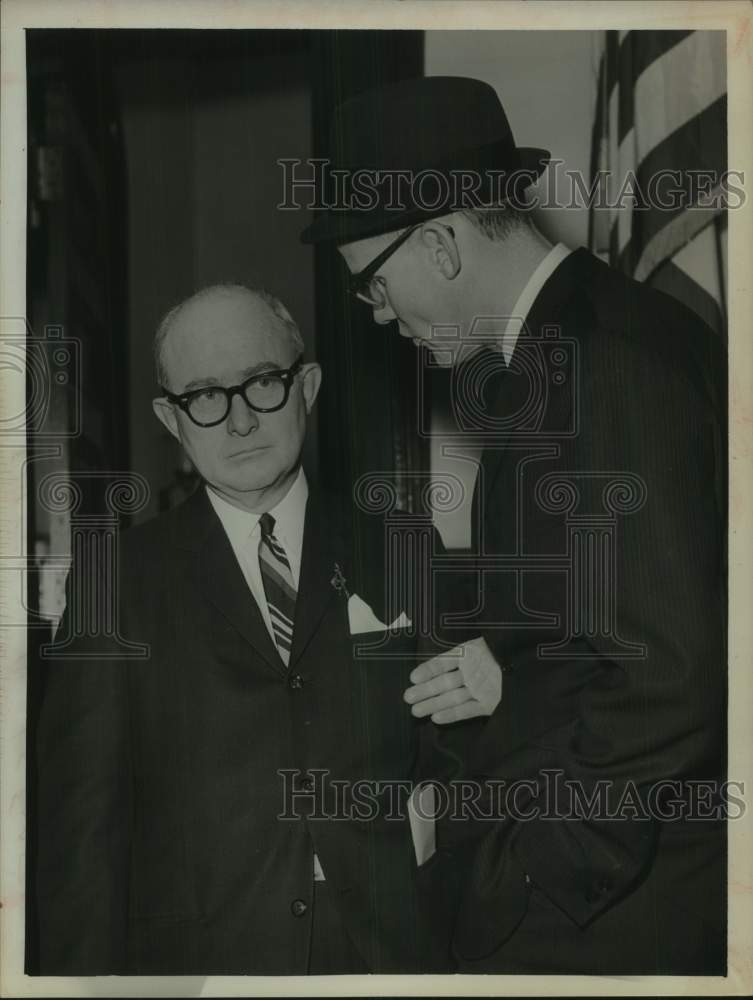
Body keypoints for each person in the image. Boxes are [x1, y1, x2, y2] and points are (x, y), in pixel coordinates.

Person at [300, 76, 727, 974]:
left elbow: (669, 679)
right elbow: (629, 608)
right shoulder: (577, 343)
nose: (380, 318)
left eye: (373, 287)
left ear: (443, 245)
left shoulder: (599, 364)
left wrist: (533, 867)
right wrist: (513, 664)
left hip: (608, 909)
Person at [33, 283, 499, 975]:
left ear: (306, 386)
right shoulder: (118, 578)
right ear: (171, 418)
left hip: (387, 953)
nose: (238, 422)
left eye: (261, 384)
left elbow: (466, 765)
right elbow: (80, 826)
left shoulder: (403, 546)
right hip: (201, 963)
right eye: (204, 396)